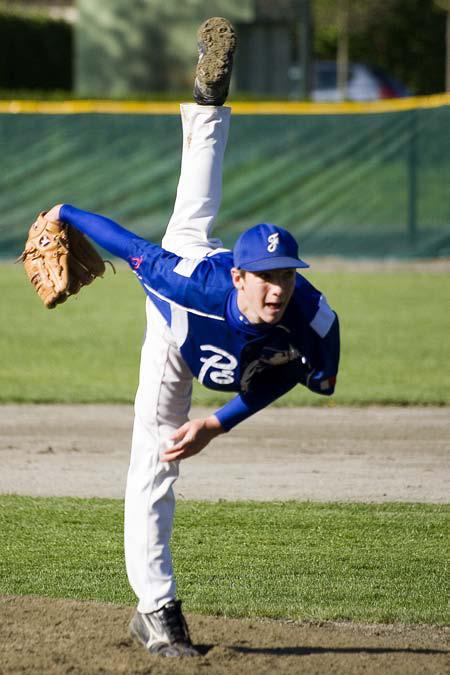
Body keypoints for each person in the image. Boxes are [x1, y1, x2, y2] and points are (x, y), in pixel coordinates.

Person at [45, 17, 340, 658]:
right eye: (264, 279)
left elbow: (300, 362)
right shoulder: (189, 286)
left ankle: (209, 103)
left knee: (195, 205)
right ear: (241, 275)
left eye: (286, 279)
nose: (277, 290)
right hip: (176, 321)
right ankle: (156, 609)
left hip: (209, 297)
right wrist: (65, 214)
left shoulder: (303, 310)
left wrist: (221, 422)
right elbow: (133, 249)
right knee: (152, 465)